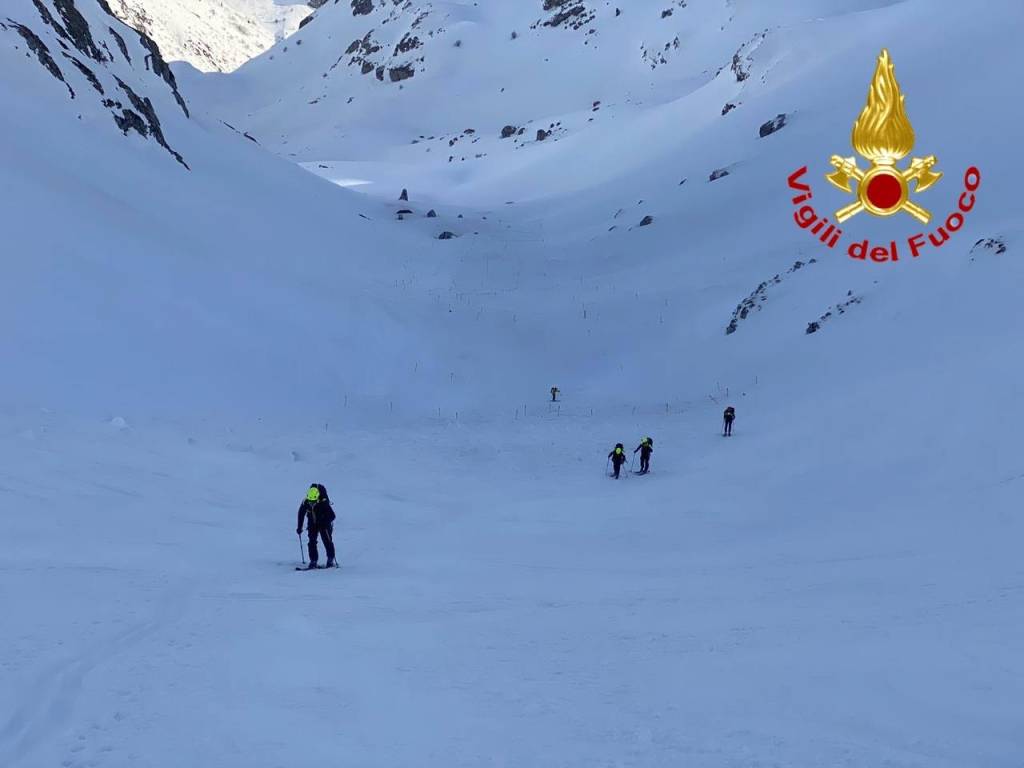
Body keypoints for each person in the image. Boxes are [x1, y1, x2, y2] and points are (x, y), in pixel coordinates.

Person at [296, 483, 336, 569]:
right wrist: (299, 527)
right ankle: (313, 560)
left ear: (317, 498)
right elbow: (301, 514)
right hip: (312, 523)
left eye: (313, 502)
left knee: (327, 540)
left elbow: (332, 515)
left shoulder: (324, 502)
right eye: (310, 501)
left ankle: (330, 559)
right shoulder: (305, 502)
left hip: (324, 524)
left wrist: (325, 521)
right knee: (312, 541)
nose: (311, 503)